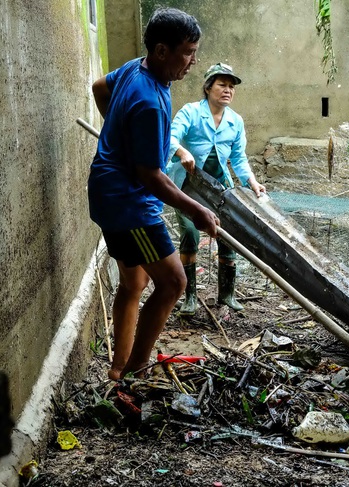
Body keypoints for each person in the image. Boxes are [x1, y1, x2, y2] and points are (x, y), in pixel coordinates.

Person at [87, 8, 219, 381]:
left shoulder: (135, 68)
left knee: (134, 282)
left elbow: (100, 87)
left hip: (107, 194)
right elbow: (150, 176)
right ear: (162, 51)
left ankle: (117, 369)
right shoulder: (149, 103)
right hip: (130, 209)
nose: (194, 61)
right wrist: (197, 210)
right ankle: (135, 372)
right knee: (174, 282)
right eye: (188, 52)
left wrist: (117, 134)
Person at [167, 63, 265, 316]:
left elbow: (239, 157)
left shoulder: (235, 121)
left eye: (231, 86)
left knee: (227, 236)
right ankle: (190, 297)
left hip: (220, 187)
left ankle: (227, 295)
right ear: (208, 87)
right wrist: (181, 151)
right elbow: (169, 137)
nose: (227, 90)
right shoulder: (190, 112)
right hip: (189, 187)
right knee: (190, 235)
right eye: (222, 84)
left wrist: (251, 181)